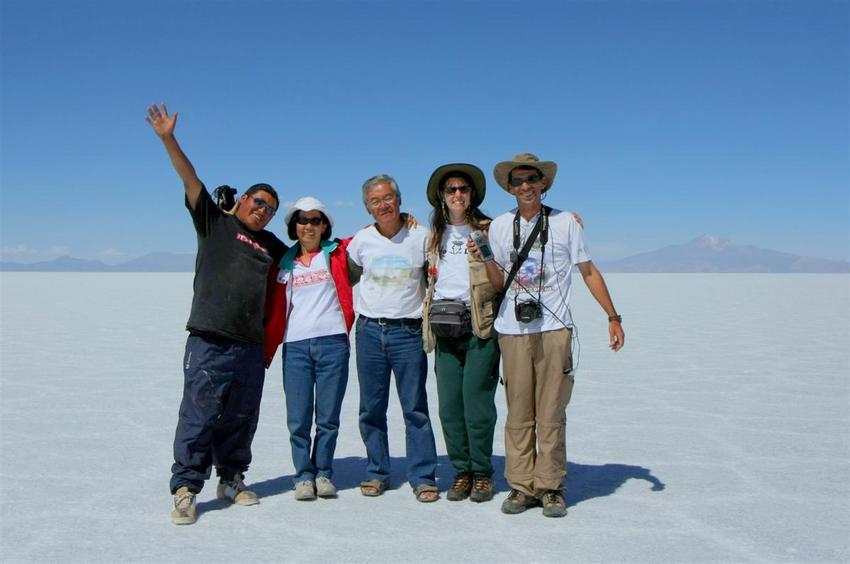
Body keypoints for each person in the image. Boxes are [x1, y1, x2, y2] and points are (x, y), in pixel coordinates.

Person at [145, 103, 287, 525]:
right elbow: (191, 179)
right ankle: (187, 487)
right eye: (258, 202)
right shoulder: (213, 223)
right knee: (199, 413)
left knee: (242, 416)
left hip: (249, 345)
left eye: (270, 209)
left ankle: (232, 478)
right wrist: (168, 137)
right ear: (242, 199)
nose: (262, 211)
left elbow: (310, 249)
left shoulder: (272, 246)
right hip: (209, 338)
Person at [475, 153, 624, 519]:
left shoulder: (565, 223)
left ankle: (551, 486)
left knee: (552, 412)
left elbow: (588, 271)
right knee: (518, 412)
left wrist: (613, 316)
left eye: (532, 179)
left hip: (554, 329)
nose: (525, 186)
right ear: (509, 188)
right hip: (513, 330)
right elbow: (498, 283)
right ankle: (522, 487)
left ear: (544, 183)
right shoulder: (498, 227)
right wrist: (488, 262)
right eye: (518, 181)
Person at [347, 174, 440, 503]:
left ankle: (423, 475)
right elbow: (342, 267)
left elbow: (438, 272)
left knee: (415, 408)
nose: (383, 205)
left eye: (388, 198)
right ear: (367, 208)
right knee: (371, 408)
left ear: (399, 200)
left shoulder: (421, 236)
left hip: (408, 332)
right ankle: (377, 471)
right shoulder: (361, 241)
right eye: (376, 201)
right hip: (370, 331)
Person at [263, 197, 355, 501]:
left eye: (316, 220)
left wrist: (404, 218)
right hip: (296, 346)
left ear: (325, 225)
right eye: (303, 220)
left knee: (328, 417)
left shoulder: (337, 253)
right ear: (294, 226)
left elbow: (374, 233)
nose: (309, 226)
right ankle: (303, 476)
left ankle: (324, 472)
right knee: (298, 417)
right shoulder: (284, 261)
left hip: (333, 343)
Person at [421, 164, 501, 503]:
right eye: (451, 189)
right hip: (444, 326)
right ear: (442, 196)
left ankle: (481, 472)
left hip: (480, 325)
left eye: (463, 189)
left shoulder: (490, 229)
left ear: (472, 195)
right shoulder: (432, 233)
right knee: (450, 406)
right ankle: (462, 470)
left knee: (477, 404)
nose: (457, 194)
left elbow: (521, 240)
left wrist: (563, 219)